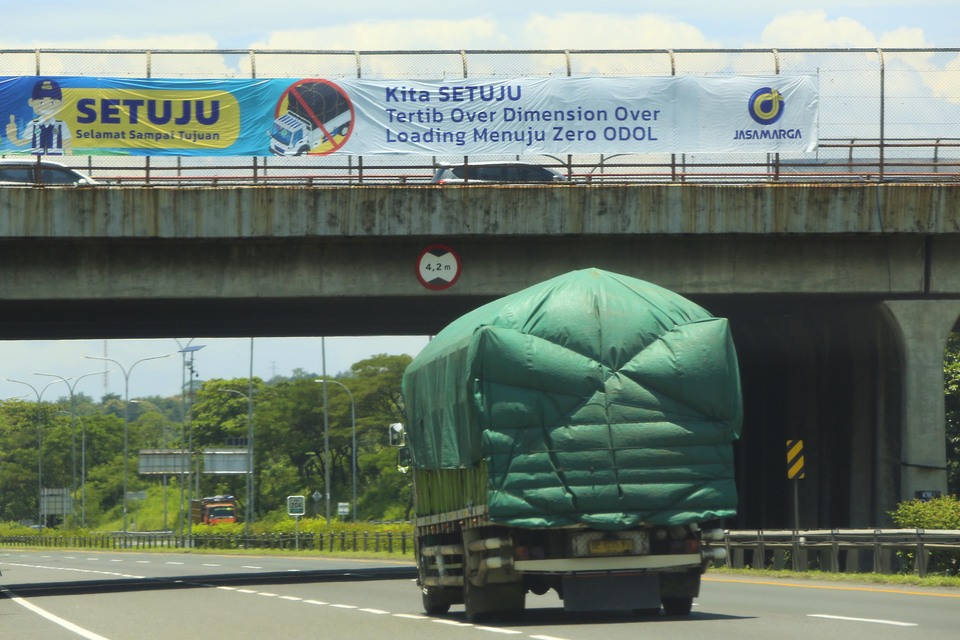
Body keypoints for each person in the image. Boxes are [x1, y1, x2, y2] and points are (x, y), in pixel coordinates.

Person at [6, 78, 72, 155]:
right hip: (36, 157)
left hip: (57, 157)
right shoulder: (33, 124)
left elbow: (67, 144)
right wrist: (12, 135)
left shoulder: (61, 125)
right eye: (41, 102)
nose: (46, 106)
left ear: (61, 103)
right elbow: (21, 143)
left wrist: (69, 155)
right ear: (31, 102)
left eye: (52, 102)